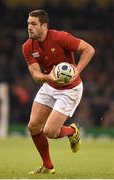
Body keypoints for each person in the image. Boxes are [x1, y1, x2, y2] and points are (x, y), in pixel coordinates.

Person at [22, 9, 95, 174]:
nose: (29, 27)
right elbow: (35, 74)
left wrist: (77, 70)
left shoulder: (60, 37)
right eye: (28, 24)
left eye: (33, 24)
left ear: (44, 25)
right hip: (50, 85)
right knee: (34, 126)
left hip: (70, 89)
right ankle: (48, 166)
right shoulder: (27, 46)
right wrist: (49, 78)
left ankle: (72, 130)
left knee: (50, 132)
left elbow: (89, 49)